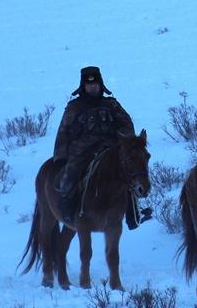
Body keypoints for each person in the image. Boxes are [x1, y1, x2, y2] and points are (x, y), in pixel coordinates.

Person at [53, 66, 137, 224]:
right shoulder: (74, 107)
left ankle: (134, 213)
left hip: (109, 147)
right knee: (71, 174)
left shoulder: (111, 104)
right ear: (83, 86)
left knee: (128, 171)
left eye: (95, 85)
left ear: (101, 85)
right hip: (81, 151)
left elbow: (127, 124)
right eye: (89, 85)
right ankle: (67, 207)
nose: (92, 88)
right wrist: (60, 157)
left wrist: (123, 139)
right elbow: (63, 132)